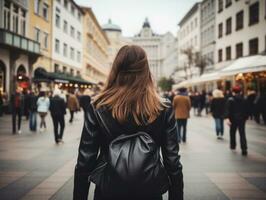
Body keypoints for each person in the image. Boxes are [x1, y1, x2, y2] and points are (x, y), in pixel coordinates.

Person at [73, 45, 183, 200]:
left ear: (116, 69)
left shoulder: (97, 106)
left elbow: (85, 161)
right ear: (146, 70)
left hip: (108, 191)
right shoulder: (162, 107)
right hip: (149, 191)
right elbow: (173, 161)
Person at [225, 86, 249, 156]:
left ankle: (233, 146)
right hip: (242, 119)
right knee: (242, 134)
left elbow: (228, 110)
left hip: (233, 119)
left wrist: (227, 118)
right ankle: (244, 149)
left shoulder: (230, 100)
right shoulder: (244, 99)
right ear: (240, 92)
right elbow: (247, 109)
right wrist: (246, 117)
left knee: (232, 132)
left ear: (233, 92)